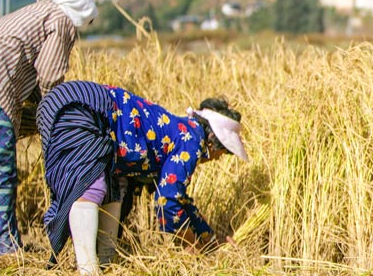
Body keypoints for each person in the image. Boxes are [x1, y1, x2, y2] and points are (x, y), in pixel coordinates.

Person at [36, 80, 249, 275]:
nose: (220, 158)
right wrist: (190, 243)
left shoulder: (183, 131)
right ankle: (88, 270)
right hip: (86, 106)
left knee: (114, 188)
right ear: (214, 140)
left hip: (56, 106)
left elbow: (180, 199)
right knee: (90, 185)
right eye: (224, 152)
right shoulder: (192, 141)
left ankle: (105, 264)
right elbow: (168, 200)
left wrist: (209, 239)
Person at [0, 0, 97, 255]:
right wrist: (57, 115)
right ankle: (1, 247)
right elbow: (48, 77)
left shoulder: (35, 13)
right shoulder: (61, 19)